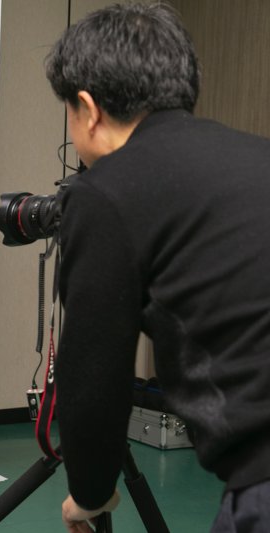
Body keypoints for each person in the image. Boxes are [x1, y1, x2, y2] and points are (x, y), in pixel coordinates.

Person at [43, 4, 270, 532]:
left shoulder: (105, 193)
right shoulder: (257, 156)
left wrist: (89, 493)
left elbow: (94, 375)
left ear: (88, 108)